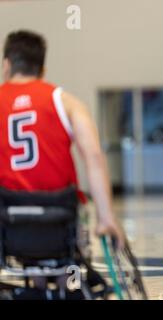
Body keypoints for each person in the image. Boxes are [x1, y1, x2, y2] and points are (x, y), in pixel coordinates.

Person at [0, 30, 125, 248]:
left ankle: (37, 278)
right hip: (58, 212)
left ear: (6, 65)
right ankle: (63, 276)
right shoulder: (67, 103)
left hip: (8, 214)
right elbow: (94, 156)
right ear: (42, 70)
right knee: (64, 249)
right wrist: (106, 218)